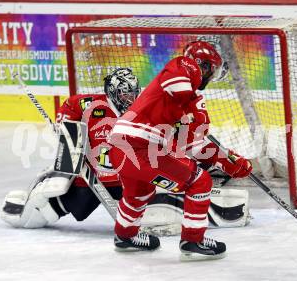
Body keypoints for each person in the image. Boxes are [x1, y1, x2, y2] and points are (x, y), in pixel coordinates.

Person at [108, 41, 252, 261]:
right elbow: (177, 84)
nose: (210, 77)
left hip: (122, 148)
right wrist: (187, 109)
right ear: (203, 65)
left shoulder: (192, 101)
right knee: (200, 181)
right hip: (140, 146)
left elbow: (195, 146)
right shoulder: (184, 65)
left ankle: (125, 236)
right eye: (211, 70)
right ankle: (193, 240)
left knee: (141, 191)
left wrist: (229, 161)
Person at [1, 68, 140, 228]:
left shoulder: (140, 109)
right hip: (89, 181)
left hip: (125, 180)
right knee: (61, 210)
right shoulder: (92, 105)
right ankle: (35, 198)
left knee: (148, 197)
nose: (130, 99)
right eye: (125, 94)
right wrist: (67, 128)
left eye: (133, 93)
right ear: (112, 92)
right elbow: (69, 106)